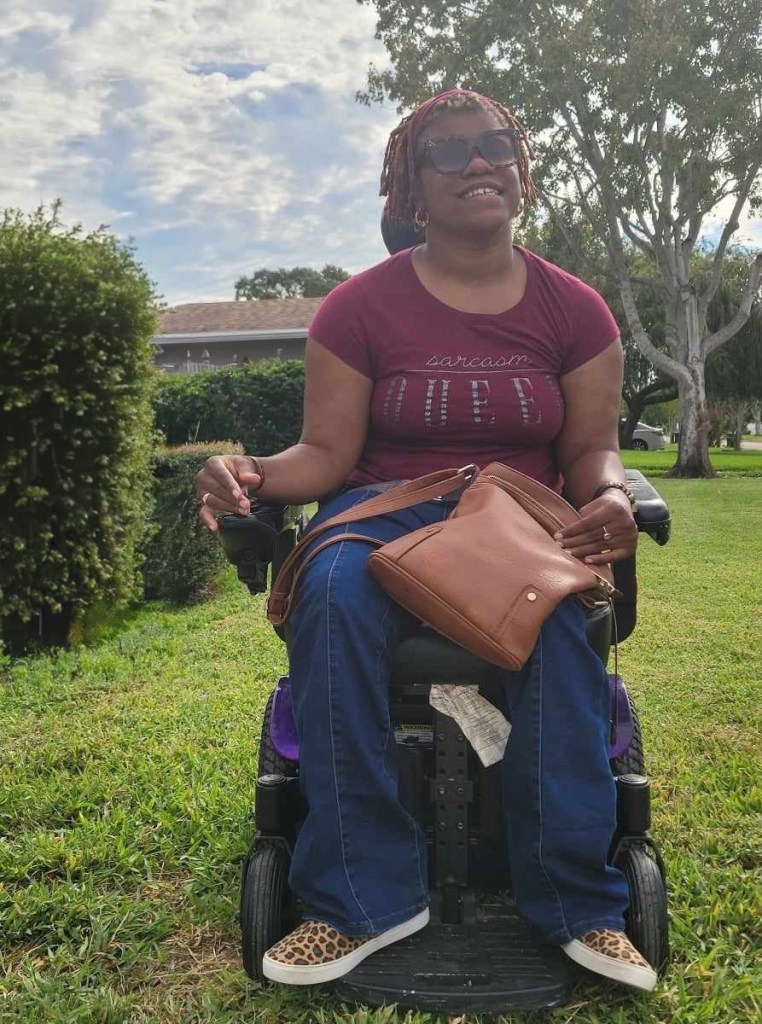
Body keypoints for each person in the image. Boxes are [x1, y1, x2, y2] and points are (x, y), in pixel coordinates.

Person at [196, 89, 656, 993]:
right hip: (381, 507)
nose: (477, 163)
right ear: (409, 187)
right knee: (330, 589)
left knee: (562, 622)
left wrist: (606, 496)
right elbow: (325, 455)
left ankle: (578, 904)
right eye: (448, 153)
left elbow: (592, 450)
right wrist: (244, 470)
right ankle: (359, 899)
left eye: (494, 147)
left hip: (516, 515)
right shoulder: (357, 309)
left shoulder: (576, 310)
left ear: (521, 171)